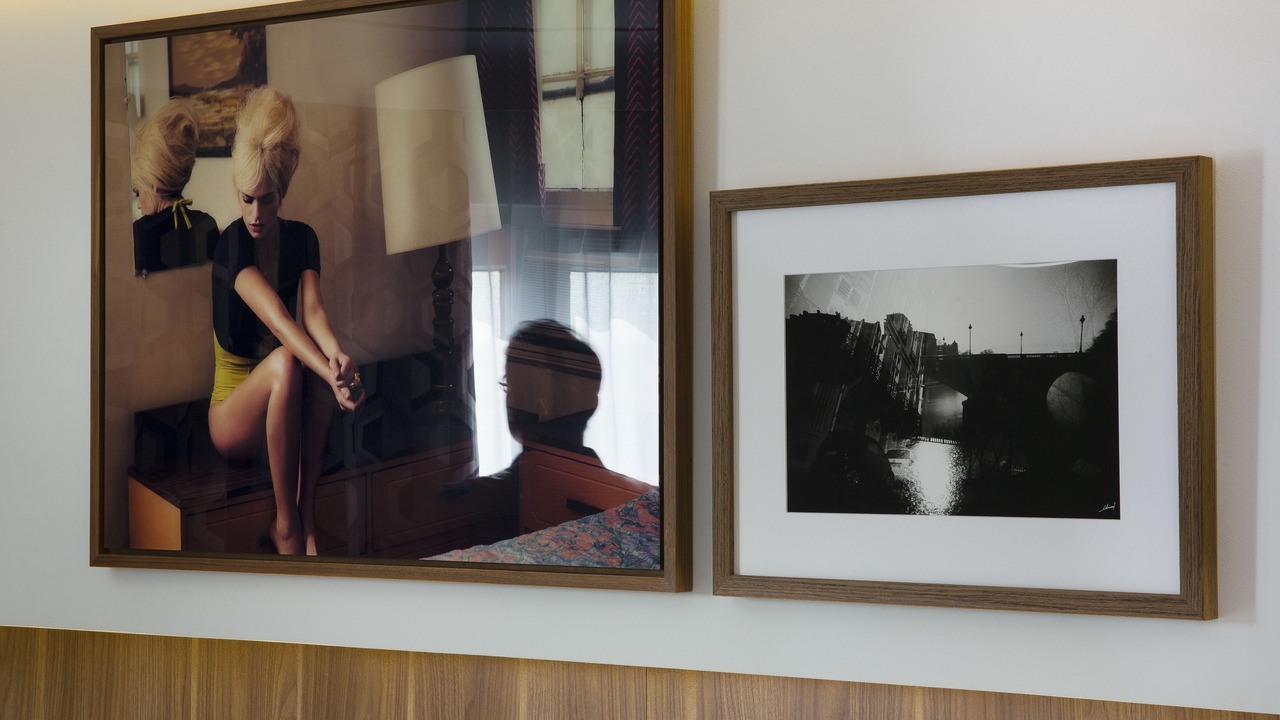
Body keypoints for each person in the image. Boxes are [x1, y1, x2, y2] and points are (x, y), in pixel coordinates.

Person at [207, 87, 364, 556]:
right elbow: (279, 321)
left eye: (268, 199)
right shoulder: (230, 245)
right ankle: (285, 525)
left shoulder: (302, 239)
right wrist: (328, 376)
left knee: (314, 369)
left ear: (283, 191)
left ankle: (307, 519)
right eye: (247, 199)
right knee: (287, 363)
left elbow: (312, 312)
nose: (256, 213)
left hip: (284, 408)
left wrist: (337, 360)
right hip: (233, 416)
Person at [130, 97, 219, 275]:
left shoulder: (139, 234)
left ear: (154, 185)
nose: (139, 204)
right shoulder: (207, 224)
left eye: (139, 192)